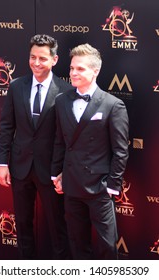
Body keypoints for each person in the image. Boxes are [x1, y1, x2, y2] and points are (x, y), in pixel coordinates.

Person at [0, 34, 73, 259]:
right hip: (19, 168)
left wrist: (62, 171)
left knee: (58, 227)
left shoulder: (66, 91)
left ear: (54, 60)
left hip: (51, 171)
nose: (36, 63)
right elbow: (6, 127)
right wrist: (2, 163)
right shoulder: (16, 86)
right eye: (32, 57)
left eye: (42, 58)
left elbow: (68, 137)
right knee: (22, 224)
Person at [51, 43, 129, 260]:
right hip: (72, 186)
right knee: (77, 243)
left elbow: (121, 151)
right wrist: (55, 174)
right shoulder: (61, 101)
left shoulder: (113, 105)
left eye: (80, 69)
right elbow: (59, 141)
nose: (74, 73)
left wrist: (112, 187)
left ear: (96, 71)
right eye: (72, 68)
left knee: (107, 246)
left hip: (100, 189)